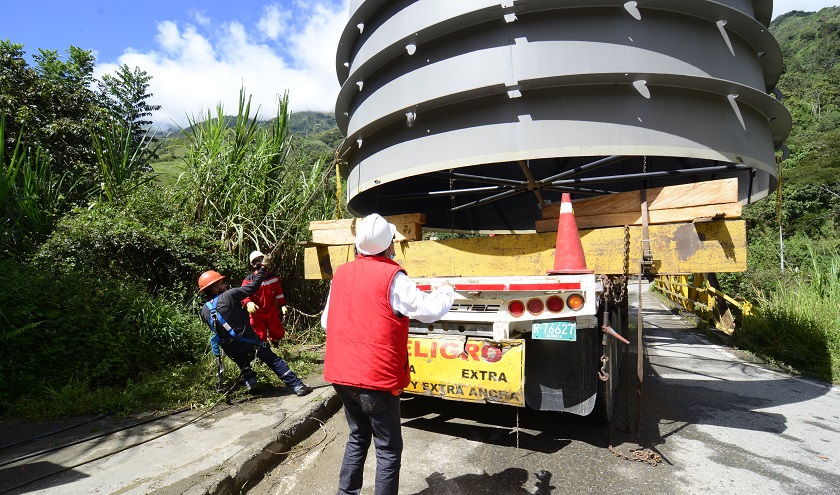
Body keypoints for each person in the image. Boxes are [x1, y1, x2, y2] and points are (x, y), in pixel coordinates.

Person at [321, 213, 455, 495]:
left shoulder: (341, 274)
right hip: (376, 381)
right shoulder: (393, 277)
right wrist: (446, 292)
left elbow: (325, 322)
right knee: (388, 448)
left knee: (357, 436)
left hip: (342, 376)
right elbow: (428, 310)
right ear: (389, 244)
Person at [198, 258, 312, 396]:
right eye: (221, 283)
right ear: (215, 288)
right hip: (248, 342)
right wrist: (263, 268)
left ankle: (252, 384)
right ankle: (297, 385)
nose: (225, 285)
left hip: (229, 348)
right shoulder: (229, 295)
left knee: (243, 362)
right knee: (272, 359)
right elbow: (253, 286)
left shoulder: (204, 309)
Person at [242, 250, 288, 346]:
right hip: (256, 313)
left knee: (278, 333)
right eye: (256, 261)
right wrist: (248, 303)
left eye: (261, 259)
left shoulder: (273, 278)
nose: (259, 262)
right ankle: (262, 352)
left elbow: (278, 293)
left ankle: (274, 343)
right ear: (253, 264)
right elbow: (243, 294)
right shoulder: (248, 280)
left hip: (271, 311)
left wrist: (282, 305)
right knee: (260, 336)